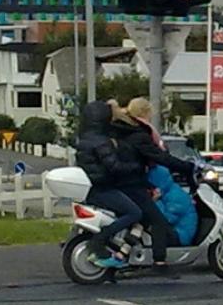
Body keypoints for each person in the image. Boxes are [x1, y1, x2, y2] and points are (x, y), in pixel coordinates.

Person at [110, 98, 196, 275]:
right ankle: (159, 262)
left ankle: (121, 256)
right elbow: (160, 156)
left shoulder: (122, 131)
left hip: (125, 180)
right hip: (133, 183)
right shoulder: (140, 134)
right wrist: (185, 167)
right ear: (145, 114)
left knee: (143, 219)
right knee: (157, 220)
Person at [75, 100, 144, 269]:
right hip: (103, 188)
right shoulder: (101, 142)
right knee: (135, 213)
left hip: (91, 187)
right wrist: (137, 166)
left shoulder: (83, 139)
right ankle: (100, 240)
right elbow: (114, 166)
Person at [150, 164, 198, 247]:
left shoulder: (176, 196)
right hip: (176, 230)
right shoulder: (169, 192)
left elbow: (167, 219)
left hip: (180, 235)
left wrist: (155, 202)